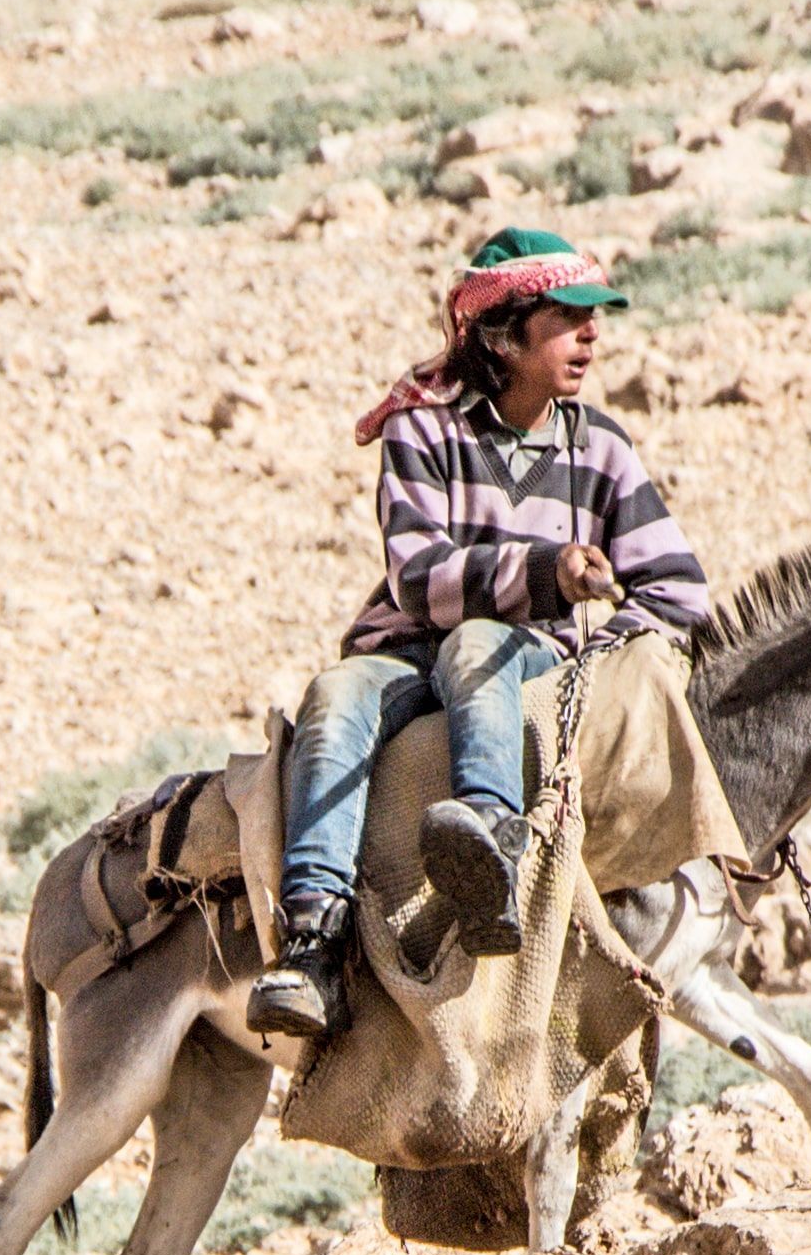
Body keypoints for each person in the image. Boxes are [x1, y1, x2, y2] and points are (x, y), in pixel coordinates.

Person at [247, 228, 711, 1042]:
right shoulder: (420, 428)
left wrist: (600, 656)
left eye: (593, 320)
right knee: (335, 692)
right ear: (503, 337)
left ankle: (490, 845)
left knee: (478, 646)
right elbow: (417, 576)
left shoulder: (600, 445)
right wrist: (545, 571)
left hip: (525, 658)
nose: (591, 337)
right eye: (568, 319)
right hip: (405, 647)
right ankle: (312, 943)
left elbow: (677, 590)